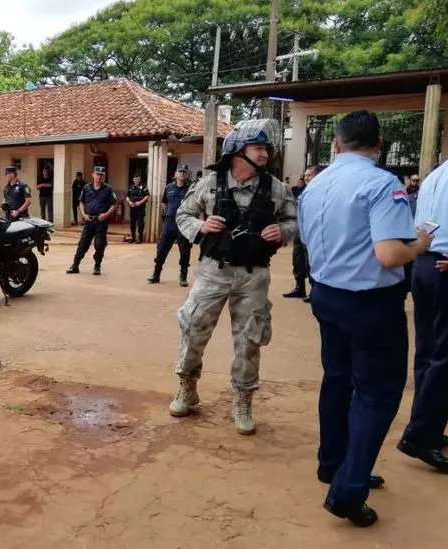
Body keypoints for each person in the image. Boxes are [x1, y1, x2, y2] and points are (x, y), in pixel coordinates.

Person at [299, 111, 433, 527]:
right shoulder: (381, 183)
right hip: (370, 304)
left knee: (337, 379)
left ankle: (333, 463)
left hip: (326, 295)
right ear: (378, 145)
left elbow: (306, 240)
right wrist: (420, 244)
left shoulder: (315, 184)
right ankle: (348, 488)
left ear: (336, 144)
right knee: (376, 394)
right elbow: (390, 255)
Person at [170, 119, 297, 436]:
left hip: (254, 276)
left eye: (266, 148)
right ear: (238, 151)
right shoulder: (209, 184)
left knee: (249, 340)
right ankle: (187, 388)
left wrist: (282, 232)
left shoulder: (276, 189)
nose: (265, 154)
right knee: (193, 328)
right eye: (258, 148)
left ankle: (242, 402)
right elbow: (183, 214)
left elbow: (294, 222)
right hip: (213, 272)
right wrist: (201, 226)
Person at [395, 156, 448, 475]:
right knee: (447, 357)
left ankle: (425, 424)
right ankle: (421, 434)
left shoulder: (437, 174)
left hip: (424, 265)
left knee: (429, 352)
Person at [66, 166, 117, 276]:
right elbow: (81, 202)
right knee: (82, 244)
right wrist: (83, 214)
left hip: (101, 222)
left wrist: (106, 215)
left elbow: (114, 205)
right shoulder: (86, 187)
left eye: (102, 175)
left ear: (104, 176)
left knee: (99, 244)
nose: (99, 177)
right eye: (97, 174)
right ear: (93, 175)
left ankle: (97, 266)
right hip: (89, 221)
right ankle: (75, 265)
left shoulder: (108, 189)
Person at [148, 165, 194, 286]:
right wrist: (166, 212)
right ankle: (156, 274)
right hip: (170, 222)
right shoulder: (169, 187)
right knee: (162, 248)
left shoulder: (192, 188)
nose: (182, 173)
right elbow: (164, 202)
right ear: (175, 174)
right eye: (180, 171)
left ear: (188, 174)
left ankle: (183, 276)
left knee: (185, 250)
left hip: (185, 223)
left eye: (185, 171)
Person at [283, 166, 318, 301]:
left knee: (310, 261)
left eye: (310, 175)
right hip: (300, 230)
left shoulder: (321, 191)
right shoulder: (302, 191)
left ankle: (314, 291)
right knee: (298, 260)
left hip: (312, 231)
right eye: (305, 175)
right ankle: (299, 288)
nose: (307, 178)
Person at [126, 173, 150, 244]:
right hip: (132, 208)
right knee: (132, 223)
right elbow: (127, 196)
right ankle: (133, 237)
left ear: (140, 179)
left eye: (138, 179)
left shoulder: (143, 186)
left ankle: (140, 238)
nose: (137, 180)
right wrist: (129, 202)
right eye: (135, 179)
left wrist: (140, 202)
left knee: (140, 223)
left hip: (140, 208)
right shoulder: (131, 187)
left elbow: (147, 196)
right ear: (133, 179)